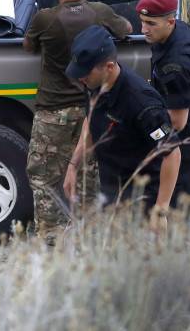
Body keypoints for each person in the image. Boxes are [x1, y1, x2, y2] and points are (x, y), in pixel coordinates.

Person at [23, 0, 132, 244]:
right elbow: (127, 30)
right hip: (90, 113)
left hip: (51, 114)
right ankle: (87, 241)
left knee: (44, 179)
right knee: (87, 180)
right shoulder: (99, 11)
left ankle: (49, 241)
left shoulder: (44, 18)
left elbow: (28, 45)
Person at [63, 26, 181, 232]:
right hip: (112, 191)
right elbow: (91, 120)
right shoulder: (92, 83)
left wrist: (160, 211)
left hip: (143, 198)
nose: (80, 78)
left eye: (85, 73)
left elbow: (172, 154)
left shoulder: (143, 103)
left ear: (108, 66)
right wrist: (73, 165)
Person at [137, 0, 190, 242]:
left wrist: (145, 132)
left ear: (169, 22)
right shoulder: (175, 30)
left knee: (182, 186)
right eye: (143, 21)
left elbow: (177, 122)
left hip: (189, 134)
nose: (144, 29)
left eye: (151, 23)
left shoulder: (176, 65)